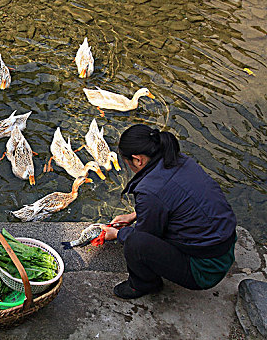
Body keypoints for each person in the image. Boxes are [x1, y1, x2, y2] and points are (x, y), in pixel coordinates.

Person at [101, 124, 237, 299]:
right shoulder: (180, 160)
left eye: (127, 162)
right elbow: (171, 200)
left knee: (135, 244)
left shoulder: (149, 191)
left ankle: (143, 285)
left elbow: (144, 237)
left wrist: (117, 234)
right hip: (224, 246)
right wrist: (133, 215)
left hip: (205, 270)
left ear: (137, 159)